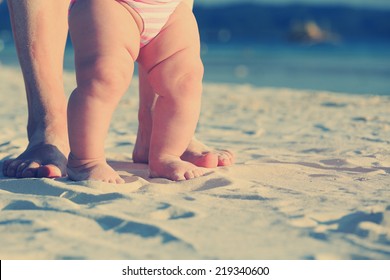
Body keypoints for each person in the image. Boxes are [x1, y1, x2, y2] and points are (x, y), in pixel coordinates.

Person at [2, 0, 234, 180]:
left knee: (185, 79)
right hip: (111, 6)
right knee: (105, 75)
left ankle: (164, 152)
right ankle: (84, 158)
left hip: (170, 10)